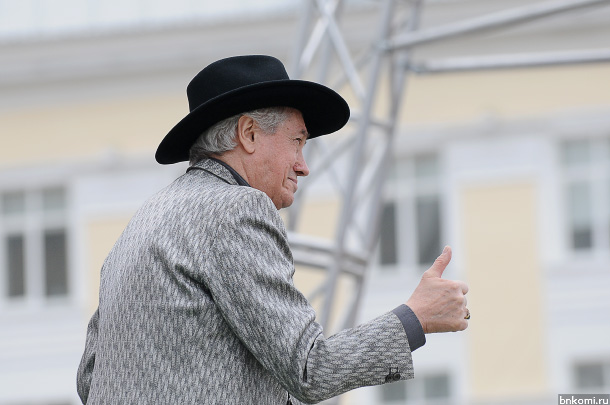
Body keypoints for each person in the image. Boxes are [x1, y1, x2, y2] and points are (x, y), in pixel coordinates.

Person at [76, 55, 469, 405]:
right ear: (248, 133)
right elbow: (310, 369)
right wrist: (416, 317)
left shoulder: (143, 222)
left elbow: (89, 378)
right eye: (297, 142)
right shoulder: (236, 208)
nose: (303, 165)